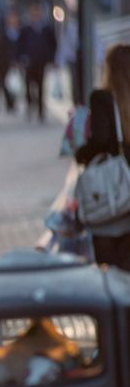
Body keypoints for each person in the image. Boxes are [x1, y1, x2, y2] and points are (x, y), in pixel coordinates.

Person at [75, 44, 130, 270]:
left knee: (109, 272)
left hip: (112, 196)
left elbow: (100, 139)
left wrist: (80, 153)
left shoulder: (102, 99)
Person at [17, 3, 57, 123]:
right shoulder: (26, 29)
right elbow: (20, 45)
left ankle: (40, 110)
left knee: (41, 87)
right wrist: (21, 58)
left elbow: (53, 44)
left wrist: (51, 58)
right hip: (29, 63)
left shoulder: (46, 29)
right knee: (28, 86)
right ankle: (30, 105)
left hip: (41, 62)